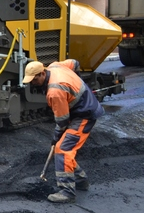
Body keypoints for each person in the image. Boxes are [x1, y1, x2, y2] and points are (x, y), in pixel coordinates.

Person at [22, 59, 104, 203]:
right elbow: (75, 63)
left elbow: (62, 121)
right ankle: (80, 180)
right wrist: (78, 80)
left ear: (42, 73)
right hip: (81, 109)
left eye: (34, 79)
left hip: (85, 114)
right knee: (64, 148)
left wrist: (56, 138)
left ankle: (67, 192)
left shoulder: (55, 91)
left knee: (62, 150)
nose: (32, 83)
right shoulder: (55, 66)